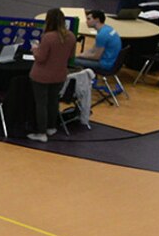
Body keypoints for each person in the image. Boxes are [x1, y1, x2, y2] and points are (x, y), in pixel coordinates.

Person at [28, 9, 77, 142]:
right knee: (53, 101)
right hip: (59, 75)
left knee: (41, 104)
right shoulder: (71, 36)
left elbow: (41, 58)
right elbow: (71, 56)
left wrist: (35, 49)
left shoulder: (48, 37)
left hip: (41, 76)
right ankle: (51, 127)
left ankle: (41, 133)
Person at [72, 8, 122, 74]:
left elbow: (96, 57)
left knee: (72, 61)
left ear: (97, 20)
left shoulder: (102, 35)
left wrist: (81, 56)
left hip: (105, 65)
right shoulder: (107, 29)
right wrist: (82, 55)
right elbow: (94, 49)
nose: (86, 21)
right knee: (77, 58)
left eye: (89, 19)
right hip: (112, 61)